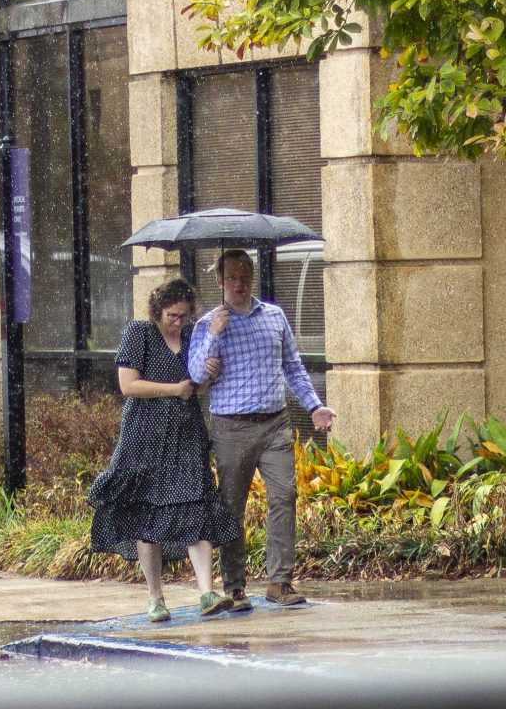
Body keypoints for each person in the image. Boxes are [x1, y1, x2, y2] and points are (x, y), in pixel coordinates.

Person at [188, 248, 334, 608]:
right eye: (232, 278)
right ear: (220, 282)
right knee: (231, 506)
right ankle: (234, 586)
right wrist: (213, 337)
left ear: (252, 278)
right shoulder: (208, 323)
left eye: (244, 277)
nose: (239, 284)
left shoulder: (274, 316)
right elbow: (194, 375)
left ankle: (280, 582)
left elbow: (293, 367)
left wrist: (315, 406)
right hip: (231, 427)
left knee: (284, 496)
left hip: (274, 424)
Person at [89, 278, 239, 622]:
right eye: (172, 315)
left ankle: (206, 591)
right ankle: (155, 596)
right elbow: (128, 385)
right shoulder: (139, 333)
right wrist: (174, 389)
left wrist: (208, 375)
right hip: (144, 433)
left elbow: (195, 386)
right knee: (147, 513)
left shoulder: (191, 336)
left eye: (184, 315)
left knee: (196, 505)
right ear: (158, 311)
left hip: (186, 432)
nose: (178, 321)